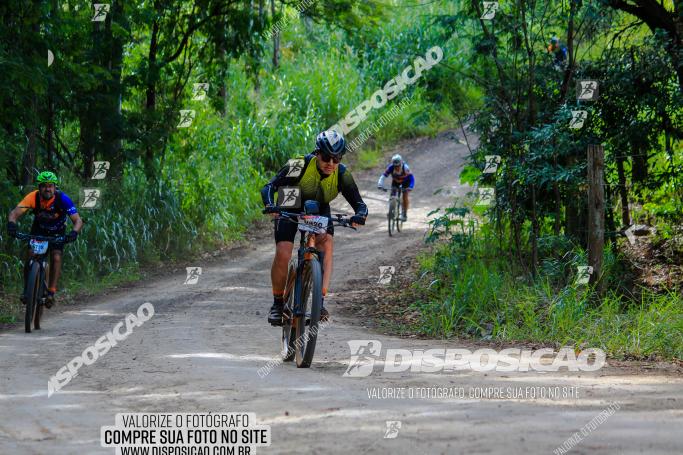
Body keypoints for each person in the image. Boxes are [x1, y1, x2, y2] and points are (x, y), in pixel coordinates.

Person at [261, 130, 368, 325]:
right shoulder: (299, 164)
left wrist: (360, 216)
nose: (331, 164)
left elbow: (360, 204)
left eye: (336, 159)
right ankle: (277, 304)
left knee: (326, 243)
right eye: (326, 157)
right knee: (284, 251)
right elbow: (269, 187)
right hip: (290, 199)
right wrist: (270, 206)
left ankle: (319, 301)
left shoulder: (342, 174)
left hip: (318, 205)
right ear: (317, 153)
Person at [7, 171, 83, 308]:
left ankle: (51, 292)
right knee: (30, 256)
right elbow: (14, 213)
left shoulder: (63, 199)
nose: (47, 189)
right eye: (44, 186)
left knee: (56, 257)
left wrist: (74, 232)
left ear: (55, 187)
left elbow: (77, 220)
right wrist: (11, 224)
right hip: (39, 229)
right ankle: (27, 290)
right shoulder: (33, 197)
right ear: (39, 187)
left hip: (58, 231)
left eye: (50, 186)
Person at [377, 154, 414, 221]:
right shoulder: (391, 167)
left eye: (398, 166)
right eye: (395, 166)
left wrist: (410, 187)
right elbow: (383, 176)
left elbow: (411, 178)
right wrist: (380, 184)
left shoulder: (405, 168)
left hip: (405, 182)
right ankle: (391, 210)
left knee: (405, 196)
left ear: (401, 163)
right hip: (396, 182)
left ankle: (404, 214)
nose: (397, 167)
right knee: (392, 196)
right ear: (393, 165)